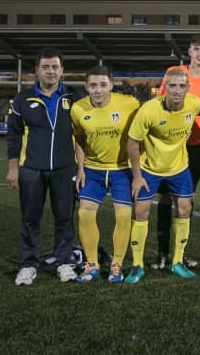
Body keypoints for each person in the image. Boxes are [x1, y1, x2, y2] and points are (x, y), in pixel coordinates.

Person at [6, 48, 84, 285]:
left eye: (55, 67)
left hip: (65, 168)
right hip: (31, 168)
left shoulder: (74, 97)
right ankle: (28, 264)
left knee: (64, 217)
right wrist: (13, 168)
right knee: (30, 218)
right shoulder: (22, 99)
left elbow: (83, 134)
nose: (51, 71)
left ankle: (64, 262)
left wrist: (81, 168)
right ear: (37, 71)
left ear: (62, 71)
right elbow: (13, 135)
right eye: (46, 67)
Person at [124, 68, 200, 283]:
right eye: (172, 86)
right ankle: (137, 265)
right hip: (149, 169)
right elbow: (132, 142)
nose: (177, 91)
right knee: (140, 212)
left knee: (185, 209)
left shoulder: (194, 104)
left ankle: (177, 262)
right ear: (164, 87)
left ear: (187, 88)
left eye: (181, 86)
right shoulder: (149, 111)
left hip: (179, 168)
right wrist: (137, 176)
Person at [154, 34, 200, 270]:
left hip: (197, 145)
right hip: (171, 144)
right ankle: (162, 253)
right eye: (196, 48)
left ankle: (179, 255)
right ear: (189, 51)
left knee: (186, 199)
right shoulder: (175, 71)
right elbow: (163, 102)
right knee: (164, 197)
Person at [70, 65, 140, 283]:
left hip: (122, 169)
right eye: (93, 85)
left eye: (102, 85)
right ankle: (92, 265)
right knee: (84, 214)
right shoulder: (77, 109)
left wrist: (139, 171)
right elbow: (79, 140)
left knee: (123, 216)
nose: (98, 90)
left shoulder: (130, 104)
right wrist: (80, 169)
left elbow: (140, 135)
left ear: (111, 84)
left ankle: (116, 265)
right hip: (93, 169)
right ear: (86, 87)